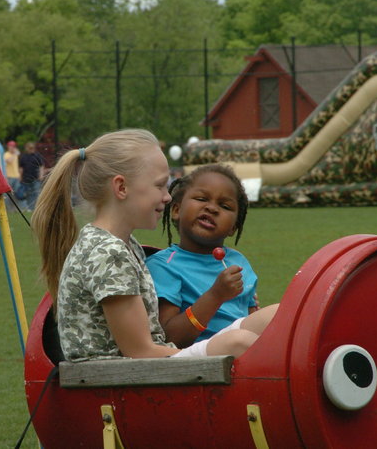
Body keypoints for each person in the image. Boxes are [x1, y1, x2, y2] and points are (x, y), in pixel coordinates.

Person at [32, 129, 263, 362]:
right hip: (123, 377)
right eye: (160, 185)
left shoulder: (121, 244)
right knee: (238, 343)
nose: (168, 197)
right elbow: (140, 351)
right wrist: (212, 354)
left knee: (270, 318)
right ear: (121, 188)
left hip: (142, 369)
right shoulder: (109, 254)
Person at [146, 164, 278, 349]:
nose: (212, 208)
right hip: (200, 355)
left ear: (233, 227)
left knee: (279, 313)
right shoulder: (163, 266)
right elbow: (170, 338)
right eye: (201, 199)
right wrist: (215, 296)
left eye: (224, 206)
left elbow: (250, 316)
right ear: (176, 210)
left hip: (243, 347)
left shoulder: (238, 262)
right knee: (239, 339)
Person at [19, 141, 45, 211]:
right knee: (28, 194)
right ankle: (30, 208)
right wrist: (20, 177)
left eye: (32, 148)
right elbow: (21, 168)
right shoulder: (23, 157)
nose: (32, 149)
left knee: (37, 193)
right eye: (30, 148)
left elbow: (41, 166)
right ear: (27, 148)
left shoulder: (37, 156)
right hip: (26, 179)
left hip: (36, 178)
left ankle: (38, 207)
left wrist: (41, 175)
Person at [3, 140, 24, 209]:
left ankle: (17, 208)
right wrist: (15, 154)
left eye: (14, 146)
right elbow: (9, 161)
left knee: (17, 194)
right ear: (8, 147)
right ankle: (8, 208)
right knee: (8, 194)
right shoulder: (6, 154)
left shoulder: (15, 155)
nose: (13, 148)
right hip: (9, 177)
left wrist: (19, 175)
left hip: (16, 176)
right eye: (11, 146)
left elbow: (16, 166)